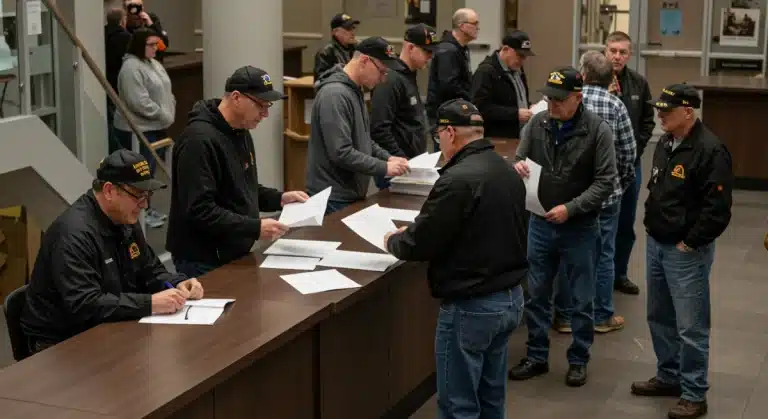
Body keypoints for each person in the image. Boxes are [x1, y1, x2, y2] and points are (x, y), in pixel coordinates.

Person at [385, 99, 527, 419]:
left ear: (449, 133)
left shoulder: (456, 179)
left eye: (438, 136)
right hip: (510, 300)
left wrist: (394, 240)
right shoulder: (506, 170)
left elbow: (419, 243)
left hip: (471, 307)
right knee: (491, 397)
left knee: (458, 405)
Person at [20, 150, 204, 354]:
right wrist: (150, 303)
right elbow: (85, 305)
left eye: (148, 196)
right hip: (60, 343)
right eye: (138, 196)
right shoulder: (73, 235)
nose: (145, 205)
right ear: (109, 191)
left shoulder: (125, 219)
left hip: (107, 326)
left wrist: (178, 282)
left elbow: (150, 270)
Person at [508, 67, 617, 387]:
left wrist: (571, 209)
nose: (551, 105)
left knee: (581, 299)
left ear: (577, 98)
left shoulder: (598, 130)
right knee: (537, 295)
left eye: (558, 100)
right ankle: (537, 355)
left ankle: (579, 359)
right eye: (548, 99)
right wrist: (518, 166)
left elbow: (606, 181)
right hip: (540, 224)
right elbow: (520, 156)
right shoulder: (537, 124)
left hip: (579, 228)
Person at [631, 84, 733, 419]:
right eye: (658, 109)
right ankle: (669, 376)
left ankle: (693, 393)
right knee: (659, 316)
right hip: (657, 244)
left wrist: (690, 242)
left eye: (666, 110)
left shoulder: (710, 150)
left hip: (685, 251)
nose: (659, 115)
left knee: (691, 326)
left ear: (688, 111)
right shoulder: (666, 141)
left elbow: (717, 211)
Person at [166, 66, 309, 278]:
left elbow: (242, 187)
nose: (265, 114)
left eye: (268, 105)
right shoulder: (198, 141)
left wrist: (279, 198)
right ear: (236, 97)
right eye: (261, 105)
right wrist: (254, 228)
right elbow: (200, 210)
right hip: (203, 258)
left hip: (232, 250)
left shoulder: (240, 131)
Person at [552, 51, 636, 334]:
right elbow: (628, 152)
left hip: (569, 197)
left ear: (583, 75)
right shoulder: (616, 105)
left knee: (567, 252)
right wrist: (618, 185)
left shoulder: (563, 100)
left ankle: (564, 316)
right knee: (604, 255)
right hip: (606, 197)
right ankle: (601, 316)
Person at [305, 37, 409, 214]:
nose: (384, 79)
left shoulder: (355, 90)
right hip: (333, 198)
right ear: (364, 61)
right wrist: (384, 167)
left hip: (348, 193)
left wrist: (387, 157)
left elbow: (362, 139)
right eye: (382, 72)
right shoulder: (335, 94)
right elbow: (341, 152)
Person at [604, 31, 655, 296]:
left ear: (630, 55)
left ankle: (619, 274)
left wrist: (638, 148)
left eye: (623, 52)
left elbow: (648, 120)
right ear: (605, 51)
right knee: (600, 222)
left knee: (625, 222)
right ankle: (597, 273)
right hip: (600, 166)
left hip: (630, 164)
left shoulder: (638, 83)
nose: (617, 56)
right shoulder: (594, 81)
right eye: (613, 50)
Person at [113, 28, 175, 228]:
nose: (155, 48)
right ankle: (139, 211)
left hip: (155, 126)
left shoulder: (153, 63)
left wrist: (170, 105)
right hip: (137, 129)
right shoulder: (131, 68)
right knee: (139, 174)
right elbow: (138, 102)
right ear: (140, 45)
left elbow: (165, 89)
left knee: (150, 172)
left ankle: (146, 208)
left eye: (156, 44)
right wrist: (162, 113)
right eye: (151, 44)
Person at [370, 23, 437, 189]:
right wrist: (400, 159)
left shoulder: (409, 76)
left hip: (410, 164)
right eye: (426, 51)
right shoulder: (391, 79)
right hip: (397, 166)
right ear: (411, 47)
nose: (430, 57)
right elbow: (379, 128)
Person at [426, 8, 479, 149]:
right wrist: (471, 102)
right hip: (446, 116)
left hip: (455, 114)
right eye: (474, 23)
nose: (477, 28)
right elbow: (449, 86)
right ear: (462, 26)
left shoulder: (461, 48)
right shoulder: (448, 50)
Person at [470, 30, 534, 139]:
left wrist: (528, 106)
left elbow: (517, 97)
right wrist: (515, 114)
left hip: (518, 136)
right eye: (519, 55)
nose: (522, 60)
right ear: (505, 49)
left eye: (524, 57)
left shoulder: (518, 70)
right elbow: (480, 108)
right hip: (497, 138)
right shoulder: (486, 72)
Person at [104, 7, 131, 154]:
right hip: (118, 85)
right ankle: (121, 151)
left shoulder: (101, 34)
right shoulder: (125, 38)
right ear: (122, 21)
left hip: (104, 82)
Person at [313, 13, 360, 81]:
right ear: (335, 32)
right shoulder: (325, 52)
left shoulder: (357, 48)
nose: (353, 32)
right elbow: (320, 80)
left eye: (353, 28)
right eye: (348, 29)